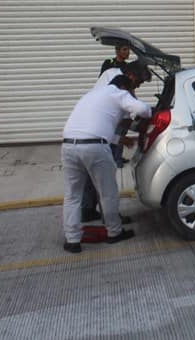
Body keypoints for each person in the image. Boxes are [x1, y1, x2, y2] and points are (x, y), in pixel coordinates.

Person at [62, 74, 152, 253]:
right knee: (107, 192)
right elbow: (144, 110)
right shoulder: (118, 93)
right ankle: (114, 232)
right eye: (133, 89)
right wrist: (141, 107)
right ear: (125, 87)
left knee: (72, 195)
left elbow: (92, 127)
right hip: (95, 148)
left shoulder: (90, 95)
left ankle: (72, 240)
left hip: (68, 146)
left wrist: (120, 139)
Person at [81, 59, 152, 223]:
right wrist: (146, 118)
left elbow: (125, 116)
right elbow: (119, 113)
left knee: (95, 172)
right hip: (101, 130)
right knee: (105, 176)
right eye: (139, 82)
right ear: (131, 75)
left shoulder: (122, 85)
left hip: (98, 130)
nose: (139, 86)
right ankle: (109, 217)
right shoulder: (112, 79)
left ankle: (89, 209)